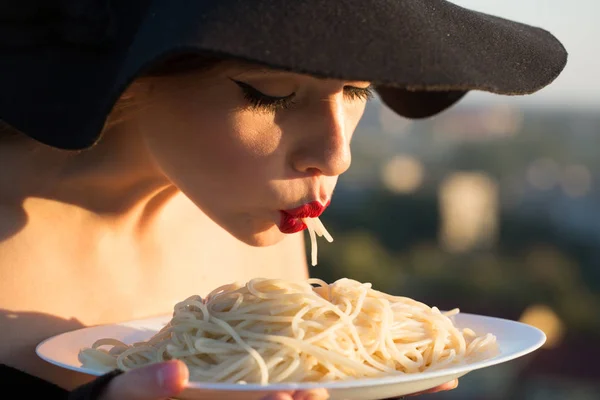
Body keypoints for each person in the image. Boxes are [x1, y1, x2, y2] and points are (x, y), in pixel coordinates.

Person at [0, 1, 567, 399]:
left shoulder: (258, 241)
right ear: (136, 70)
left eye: (355, 89)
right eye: (270, 94)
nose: (336, 153)